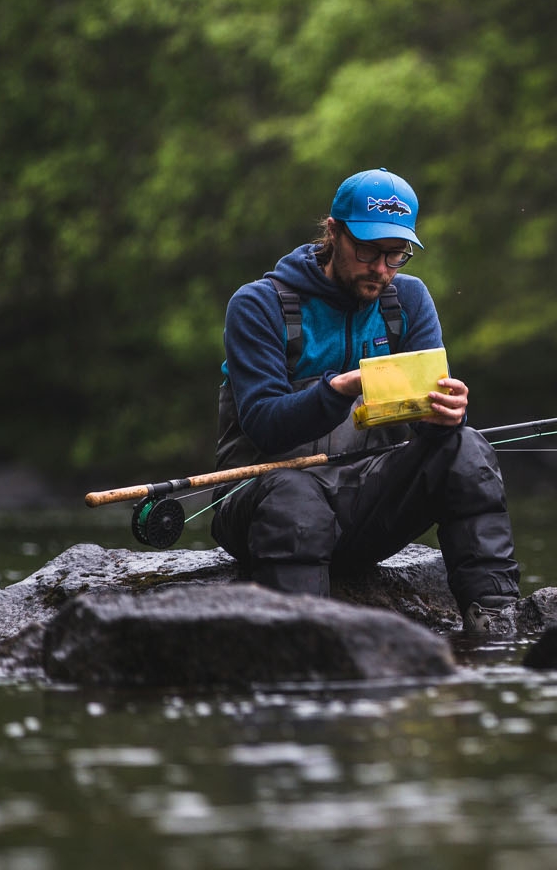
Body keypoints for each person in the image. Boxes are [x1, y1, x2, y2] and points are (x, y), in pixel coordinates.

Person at [210, 167, 520, 633]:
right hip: (263, 503)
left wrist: (447, 415)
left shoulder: (408, 301)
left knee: (467, 448)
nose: (381, 270)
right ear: (333, 232)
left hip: (366, 504)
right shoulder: (259, 304)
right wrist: (339, 389)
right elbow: (263, 423)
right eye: (368, 252)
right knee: (296, 497)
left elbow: (430, 436)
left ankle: (494, 624)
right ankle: (308, 640)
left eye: (396, 256)